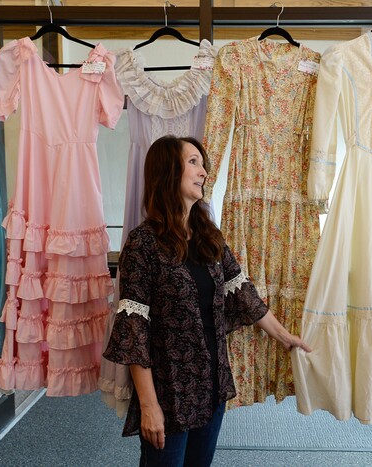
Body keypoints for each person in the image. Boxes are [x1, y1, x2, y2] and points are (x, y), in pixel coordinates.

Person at [103, 135, 312, 467]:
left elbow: (242, 293)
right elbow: (134, 328)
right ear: (167, 171)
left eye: (203, 164)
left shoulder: (208, 237)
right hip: (169, 393)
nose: (203, 172)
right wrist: (148, 405)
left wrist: (286, 338)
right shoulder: (143, 243)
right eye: (193, 163)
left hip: (212, 386)